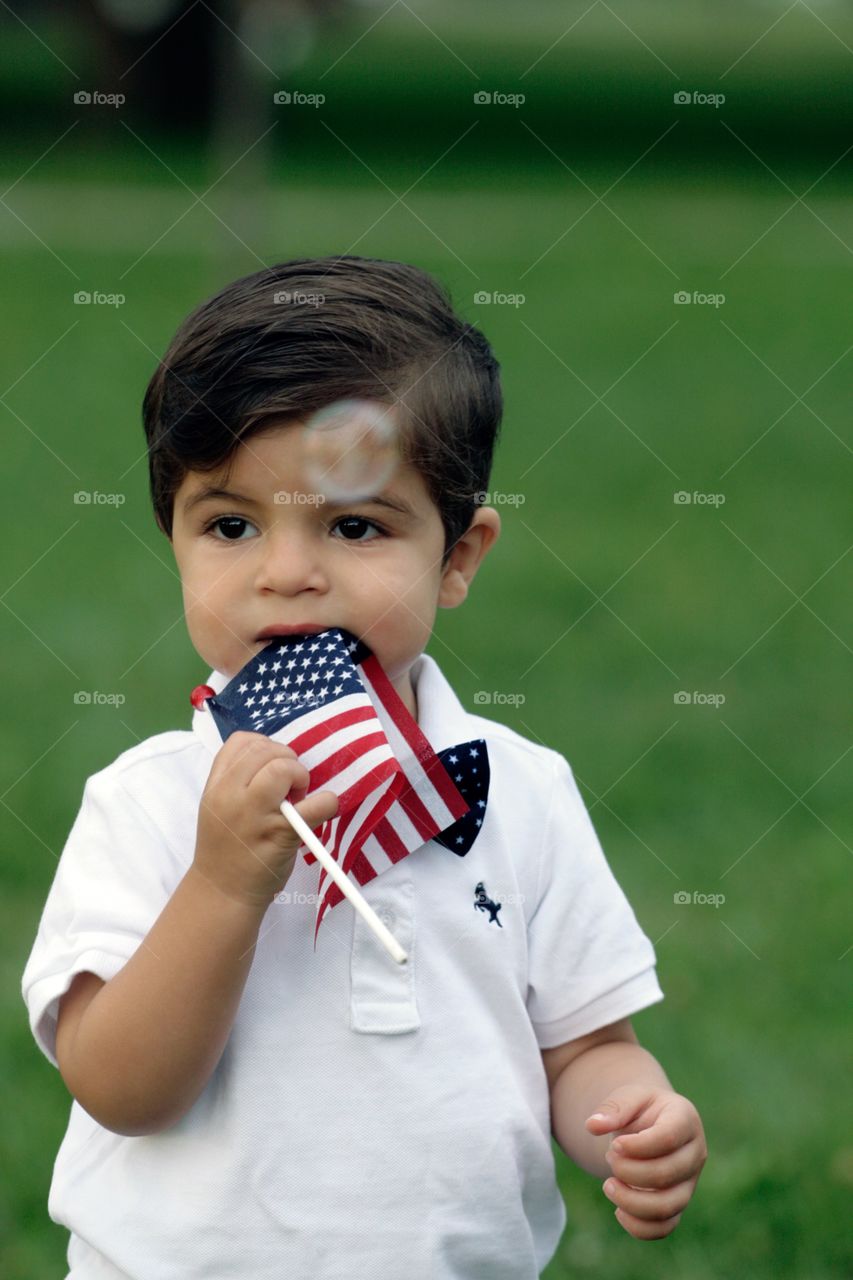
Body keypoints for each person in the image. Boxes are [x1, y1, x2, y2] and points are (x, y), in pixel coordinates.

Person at [22, 255, 707, 1279]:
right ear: (174, 538)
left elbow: (580, 1042)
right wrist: (220, 884)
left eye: (352, 525)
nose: (286, 570)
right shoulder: (149, 802)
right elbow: (119, 1085)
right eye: (230, 523)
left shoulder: (519, 789)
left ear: (459, 554)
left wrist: (632, 1115)